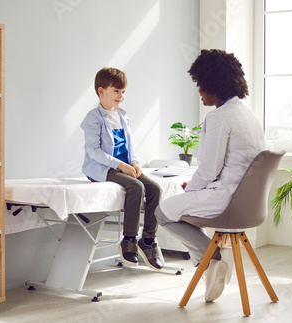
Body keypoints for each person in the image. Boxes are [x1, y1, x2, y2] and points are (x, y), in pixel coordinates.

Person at [155, 49, 265, 301]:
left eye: (200, 85)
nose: (199, 91)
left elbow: (208, 170)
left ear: (213, 84)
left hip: (226, 202)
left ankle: (212, 260)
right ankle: (211, 265)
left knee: (162, 212)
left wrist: (190, 188)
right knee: (179, 206)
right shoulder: (249, 115)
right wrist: (198, 186)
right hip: (249, 204)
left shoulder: (218, 118)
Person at [80, 67, 163, 271]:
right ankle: (129, 241)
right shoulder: (93, 118)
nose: (121, 96)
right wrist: (120, 165)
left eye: (123, 91)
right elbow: (94, 151)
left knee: (155, 188)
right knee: (136, 187)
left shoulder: (123, 116)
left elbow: (129, 146)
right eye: (116, 91)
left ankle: (148, 240)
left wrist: (134, 162)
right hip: (104, 169)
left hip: (125, 166)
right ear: (101, 91)